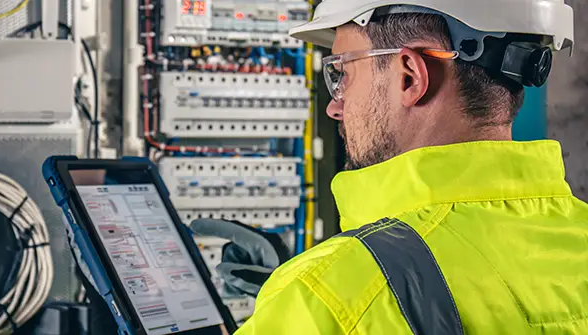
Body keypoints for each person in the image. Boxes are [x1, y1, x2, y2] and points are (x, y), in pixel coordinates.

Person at [190, 0, 586, 333]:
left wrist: (306, 296)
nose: (334, 105)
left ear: (409, 76)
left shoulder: (324, 298)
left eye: (342, 72)